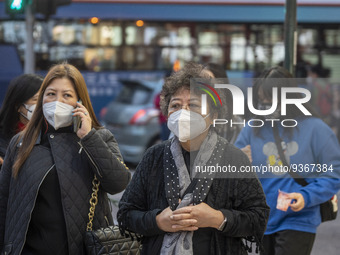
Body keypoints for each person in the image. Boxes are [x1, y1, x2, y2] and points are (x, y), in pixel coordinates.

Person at [118, 62, 269, 255]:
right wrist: (158, 221)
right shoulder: (153, 157)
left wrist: (217, 218)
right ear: (167, 113)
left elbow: (259, 216)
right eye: (176, 105)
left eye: (193, 105)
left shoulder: (234, 159)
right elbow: (126, 214)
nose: (183, 112)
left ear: (213, 115)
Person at [0, 63, 131, 254]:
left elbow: (118, 183)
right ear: (42, 98)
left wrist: (88, 137)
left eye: (67, 95)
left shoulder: (99, 137)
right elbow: (4, 201)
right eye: (51, 94)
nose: (57, 101)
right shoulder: (21, 142)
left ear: (79, 101)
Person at [234, 66, 340, 255]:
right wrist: (239, 161)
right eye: (262, 100)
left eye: (271, 99)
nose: (266, 105)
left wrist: (306, 196)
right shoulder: (252, 128)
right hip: (260, 219)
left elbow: (333, 173)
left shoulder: (315, 129)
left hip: (299, 218)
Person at [0, 74, 43, 168]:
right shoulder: (4, 140)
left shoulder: (50, 134)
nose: (41, 104)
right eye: (35, 99)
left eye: (44, 98)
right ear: (18, 106)